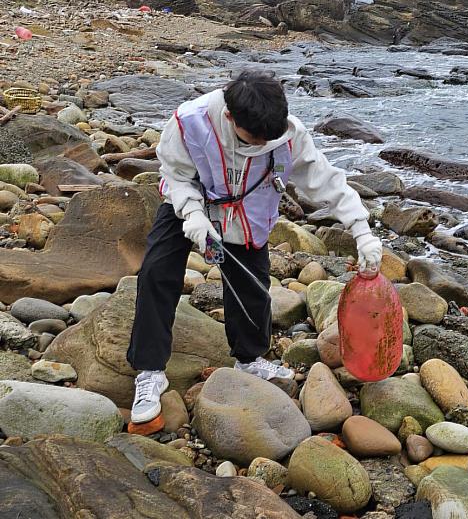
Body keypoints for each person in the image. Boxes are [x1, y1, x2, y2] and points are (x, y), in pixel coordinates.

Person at [126, 71, 383, 424]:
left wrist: (361, 229)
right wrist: (193, 215)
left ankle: (249, 359)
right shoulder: (189, 121)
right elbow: (175, 173)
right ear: (230, 117)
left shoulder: (288, 133)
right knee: (156, 275)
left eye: (269, 138)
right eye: (254, 139)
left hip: (247, 211)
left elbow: (324, 180)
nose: (263, 143)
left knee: (253, 285)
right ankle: (149, 372)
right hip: (188, 203)